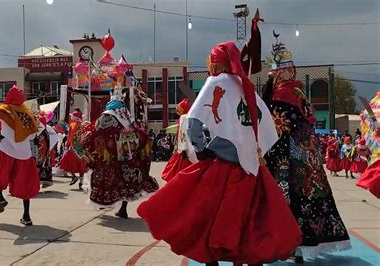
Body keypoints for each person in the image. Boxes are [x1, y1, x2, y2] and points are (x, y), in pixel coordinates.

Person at [138, 42, 302, 266]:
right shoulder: (245, 86)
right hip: (252, 168)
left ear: (215, 63)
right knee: (250, 226)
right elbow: (267, 125)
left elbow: (193, 120)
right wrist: (256, 149)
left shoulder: (216, 82)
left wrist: (203, 150)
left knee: (204, 220)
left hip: (223, 165)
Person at [263, 35, 350, 262]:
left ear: (279, 72)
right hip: (309, 156)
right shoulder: (300, 92)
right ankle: (307, 244)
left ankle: (292, 245)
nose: (274, 77)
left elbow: (277, 127)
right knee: (313, 197)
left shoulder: (281, 94)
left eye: (274, 73)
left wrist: (268, 154)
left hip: (289, 158)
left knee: (291, 199)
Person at [81, 86, 159, 218]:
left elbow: (96, 135)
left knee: (108, 181)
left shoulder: (106, 118)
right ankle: (123, 208)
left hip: (110, 160)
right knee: (125, 183)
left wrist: (85, 135)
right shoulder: (129, 120)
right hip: (129, 160)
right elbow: (142, 136)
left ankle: (105, 202)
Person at [0, 85, 40, 226]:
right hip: (24, 152)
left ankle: (0, 199)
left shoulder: (5, 109)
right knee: (24, 183)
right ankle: (26, 216)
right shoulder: (27, 113)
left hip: (6, 148)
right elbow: (34, 133)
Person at [161, 98, 197, 182]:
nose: (177, 111)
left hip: (184, 148)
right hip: (186, 147)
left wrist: (183, 147)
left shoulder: (184, 118)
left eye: (179, 109)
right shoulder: (186, 117)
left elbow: (183, 134)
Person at [59, 109, 87, 190]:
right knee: (81, 166)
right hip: (82, 148)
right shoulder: (83, 125)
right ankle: (81, 183)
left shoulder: (72, 125)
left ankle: (74, 176)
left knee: (67, 163)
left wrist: (67, 144)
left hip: (73, 148)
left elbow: (70, 136)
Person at [33, 112, 59, 188]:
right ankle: (43, 182)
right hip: (44, 152)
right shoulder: (46, 132)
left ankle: (36, 184)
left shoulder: (40, 132)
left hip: (39, 152)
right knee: (42, 165)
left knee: (38, 165)